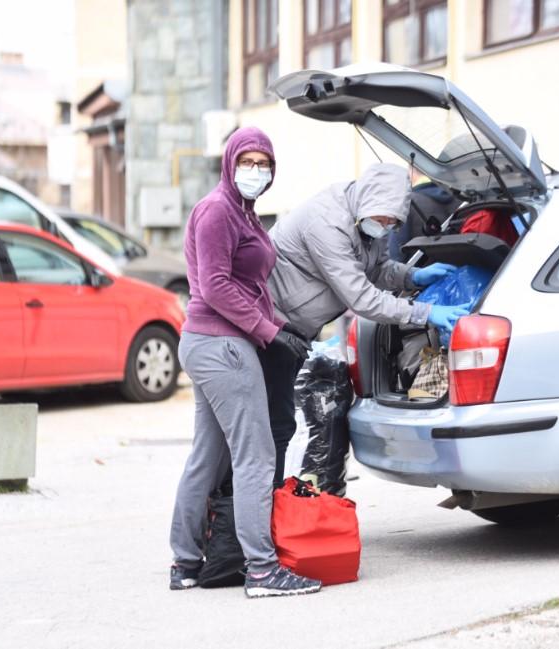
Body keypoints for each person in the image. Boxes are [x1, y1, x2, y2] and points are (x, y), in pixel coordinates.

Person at [168, 127, 321, 599]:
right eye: (247, 162)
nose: (255, 171)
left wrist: (280, 323)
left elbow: (247, 286)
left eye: (264, 164)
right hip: (224, 347)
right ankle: (261, 569)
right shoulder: (218, 210)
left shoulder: (243, 212)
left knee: (208, 457)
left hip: (212, 344)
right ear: (230, 162)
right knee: (256, 454)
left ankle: (187, 563)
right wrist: (269, 332)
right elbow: (214, 286)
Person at [261, 163, 469, 485]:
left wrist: (412, 276)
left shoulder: (370, 220)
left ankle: (272, 505)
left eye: (392, 221)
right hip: (270, 329)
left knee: (279, 425)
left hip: (296, 331)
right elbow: (362, 298)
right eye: (382, 218)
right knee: (270, 428)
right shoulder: (327, 223)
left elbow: (377, 268)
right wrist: (425, 312)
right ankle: (251, 510)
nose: (385, 226)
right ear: (366, 203)